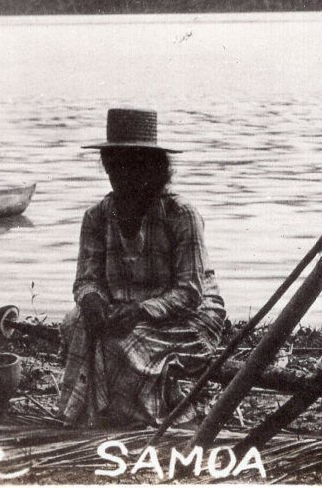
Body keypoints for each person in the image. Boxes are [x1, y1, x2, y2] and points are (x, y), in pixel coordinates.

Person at [56, 107, 227, 426]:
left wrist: (140, 311)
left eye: (132, 166)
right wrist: (92, 300)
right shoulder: (96, 216)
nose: (122, 176)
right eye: (114, 166)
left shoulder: (180, 215)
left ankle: (148, 415)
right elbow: (86, 279)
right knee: (75, 324)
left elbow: (189, 292)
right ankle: (88, 413)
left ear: (152, 168)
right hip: (122, 307)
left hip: (187, 315)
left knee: (118, 346)